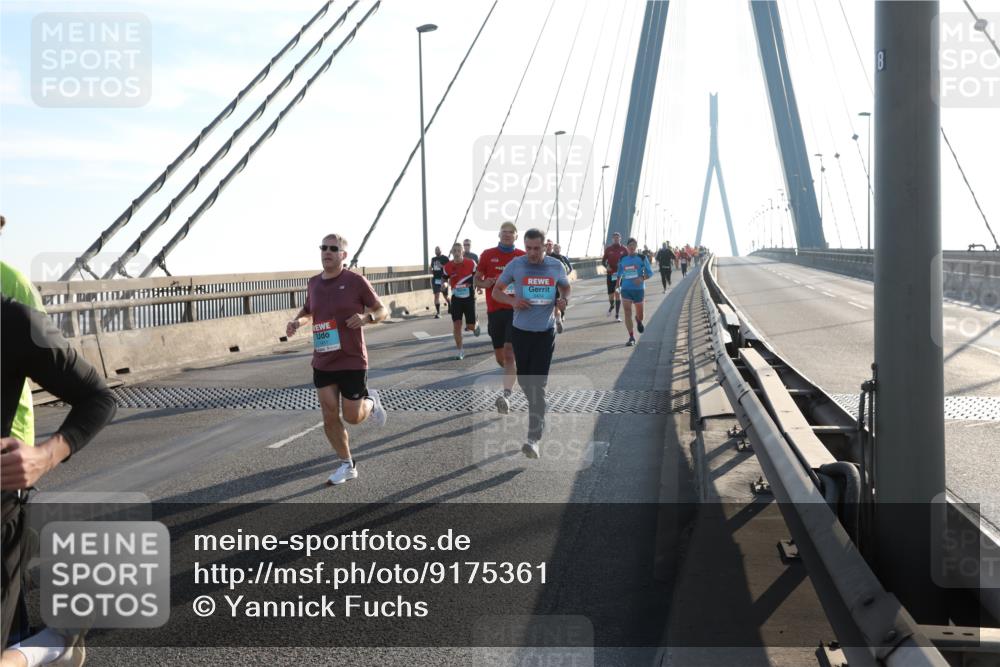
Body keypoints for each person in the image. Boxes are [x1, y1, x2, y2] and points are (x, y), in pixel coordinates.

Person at [2, 298, 118, 667]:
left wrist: (44, 456)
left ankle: (53, 643)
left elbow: (98, 398)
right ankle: (54, 644)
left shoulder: (12, 321)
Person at [286, 234, 388, 485]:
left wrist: (367, 318)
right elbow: (308, 311)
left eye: (334, 248)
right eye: (324, 247)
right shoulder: (313, 283)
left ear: (343, 255)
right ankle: (347, 464)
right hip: (323, 359)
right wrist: (297, 322)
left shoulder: (355, 281)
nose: (327, 252)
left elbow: (382, 310)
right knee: (329, 413)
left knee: (352, 417)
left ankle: (371, 402)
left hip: (352, 359)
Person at [491, 228, 570, 459]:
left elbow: (565, 286)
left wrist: (564, 299)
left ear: (545, 246)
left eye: (537, 248)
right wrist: (512, 300)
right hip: (520, 333)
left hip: (545, 334)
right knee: (526, 382)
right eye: (528, 248)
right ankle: (541, 408)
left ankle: (532, 439)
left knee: (537, 386)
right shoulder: (516, 265)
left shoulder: (555, 266)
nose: (532, 253)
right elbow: (497, 292)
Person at [474, 222, 525, 414]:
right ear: (499, 234)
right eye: (504, 232)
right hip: (495, 312)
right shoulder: (488, 254)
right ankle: (513, 371)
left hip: (515, 310)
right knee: (500, 358)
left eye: (511, 232)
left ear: (516, 236)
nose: (507, 235)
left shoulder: (522, 256)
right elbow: (476, 279)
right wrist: (484, 283)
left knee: (509, 353)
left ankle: (506, 396)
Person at [443, 242, 480, 360]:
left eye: (459, 250)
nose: (457, 253)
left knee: (471, 326)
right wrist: (444, 284)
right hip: (456, 298)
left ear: (463, 252)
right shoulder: (447, 266)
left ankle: (475, 323)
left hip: (469, 298)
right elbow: (444, 279)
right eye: (454, 251)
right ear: (452, 252)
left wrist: (479, 286)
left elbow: (478, 276)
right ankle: (460, 351)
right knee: (457, 325)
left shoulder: (471, 263)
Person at [615, 237, 653, 347]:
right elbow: (619, 273)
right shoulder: (623, 258)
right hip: (626, 289)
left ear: (636, 246)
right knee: (627, 312)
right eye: (630, 245)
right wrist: (617, 286)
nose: (632, 247)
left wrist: (642, 278)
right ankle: (631, 337)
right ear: (627, 247)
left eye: (634, 245)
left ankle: (638, 320)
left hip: (638, 290)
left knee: (640, 315)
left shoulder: (642, 258)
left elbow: (650, 273)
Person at [602, 232, 628, 321]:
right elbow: (603, 261)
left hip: (619, 276)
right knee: (610, 296)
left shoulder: (624, 249)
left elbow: (628, 260)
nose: (616, 239)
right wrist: (606, 266)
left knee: (617, 294)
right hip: (610, 275)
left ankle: (617, 315)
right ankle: (612, 305)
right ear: (612, 239)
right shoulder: (608, 249)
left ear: (620, 238)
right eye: (614, 238)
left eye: (617, 237)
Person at [548, 244, 573, 334]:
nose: (556, 249)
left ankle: (559, 317)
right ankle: (559, 318)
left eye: (558, 248)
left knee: (558, 302)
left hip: (558, 283)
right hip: (554, 283)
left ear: (560, 249)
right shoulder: (550, 257)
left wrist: (564, 276)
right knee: (557, 303)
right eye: (555, 248)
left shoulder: (563, 258)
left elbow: (570, 268)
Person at [429, 246, 451, 319]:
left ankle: (450, 304)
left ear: (441, 250)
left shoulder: (445, 258)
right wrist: (431, 270)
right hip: (435, 279)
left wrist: (442, 266)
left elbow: (449, 267)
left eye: (438, 249)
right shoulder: (433, 259)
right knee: (436, 295)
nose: (437, 251)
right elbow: (431, 267)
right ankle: (438, 312)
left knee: (445, 295)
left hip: (443, 279)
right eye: (436, 250)